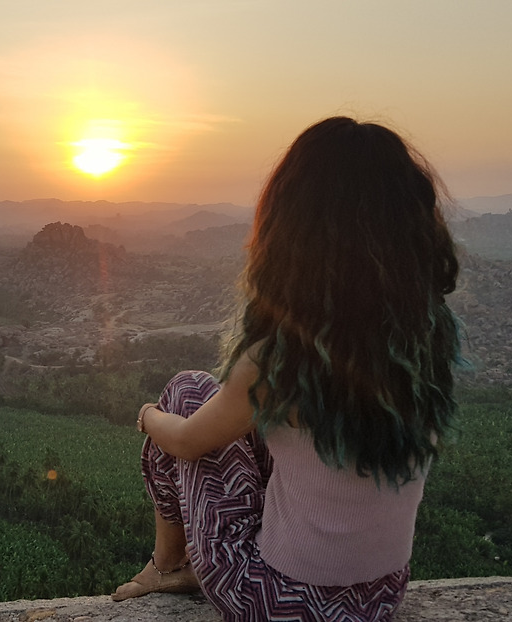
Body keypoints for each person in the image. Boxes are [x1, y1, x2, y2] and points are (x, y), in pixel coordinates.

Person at [112, 116, 460, 621]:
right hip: (379, 596)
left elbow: (186, 443)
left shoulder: (283, 356)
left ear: (292, 227)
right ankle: (173, 566)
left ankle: (166, 565)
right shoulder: (426, 339)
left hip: (277, 600)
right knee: (243, 419)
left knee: (187, 392)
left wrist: (147, 415)